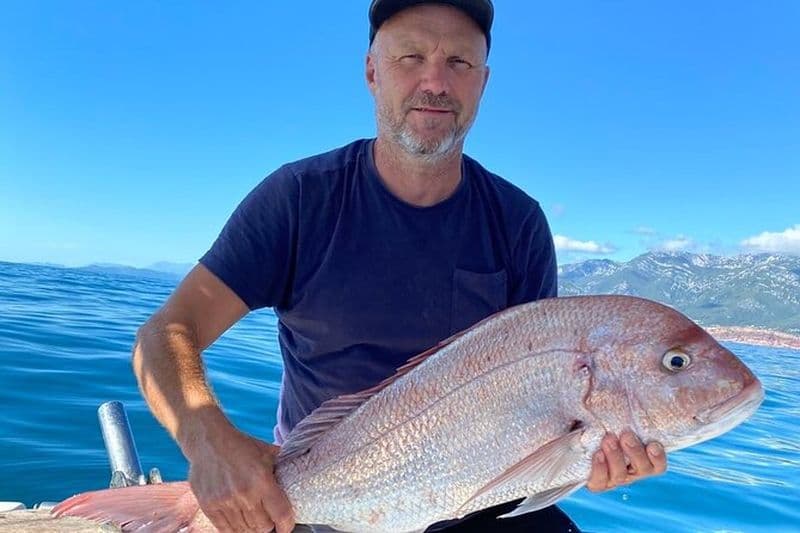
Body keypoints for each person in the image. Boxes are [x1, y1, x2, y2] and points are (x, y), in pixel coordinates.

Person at [132, 1, 667, 531]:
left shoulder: (518, 222)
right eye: (410, 56)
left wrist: (588, 454)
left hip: (477, 503)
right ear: (371, 72)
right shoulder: (299, 199)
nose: (435, 81)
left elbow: (543, 406)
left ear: (482, 83)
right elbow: (167, 332)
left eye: (459, 63)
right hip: (324, 504)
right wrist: (209, 440)